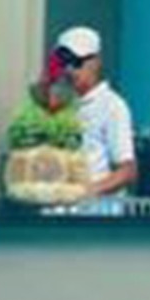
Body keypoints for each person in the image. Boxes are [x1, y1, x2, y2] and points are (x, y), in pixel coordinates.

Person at [53, 26, 138, 196]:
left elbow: (128, 171)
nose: (70, 70)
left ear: (96, 62)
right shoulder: (62, 105)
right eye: (64, 63)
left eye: (77, 62)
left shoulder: (112, 106)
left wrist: (87, 191)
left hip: (94, 213)